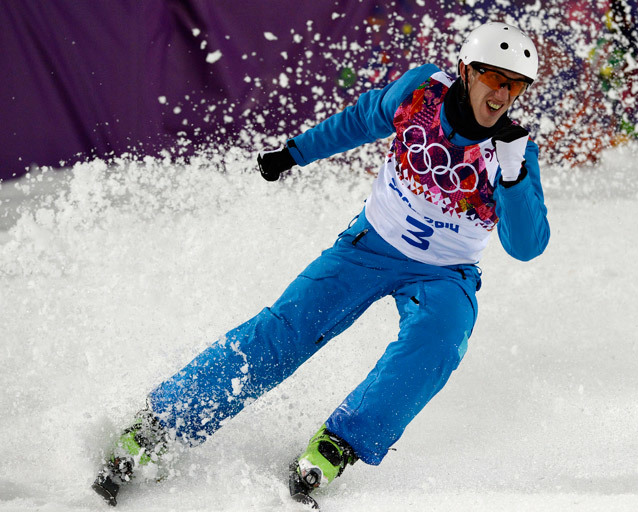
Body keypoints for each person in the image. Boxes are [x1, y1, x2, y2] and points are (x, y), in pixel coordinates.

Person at [92, 21, 550, 508]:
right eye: (492, 77)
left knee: (439, 343)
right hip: (369, 245)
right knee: (285, 329)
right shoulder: (422, 93)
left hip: (444, 273)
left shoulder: (513, 151)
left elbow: (526, 245)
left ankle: (339, 443)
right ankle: (161, 425)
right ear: (465, 71)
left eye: (514, 84)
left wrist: (514, 172)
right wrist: (294, 153)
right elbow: (360, 119)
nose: (501, 93)